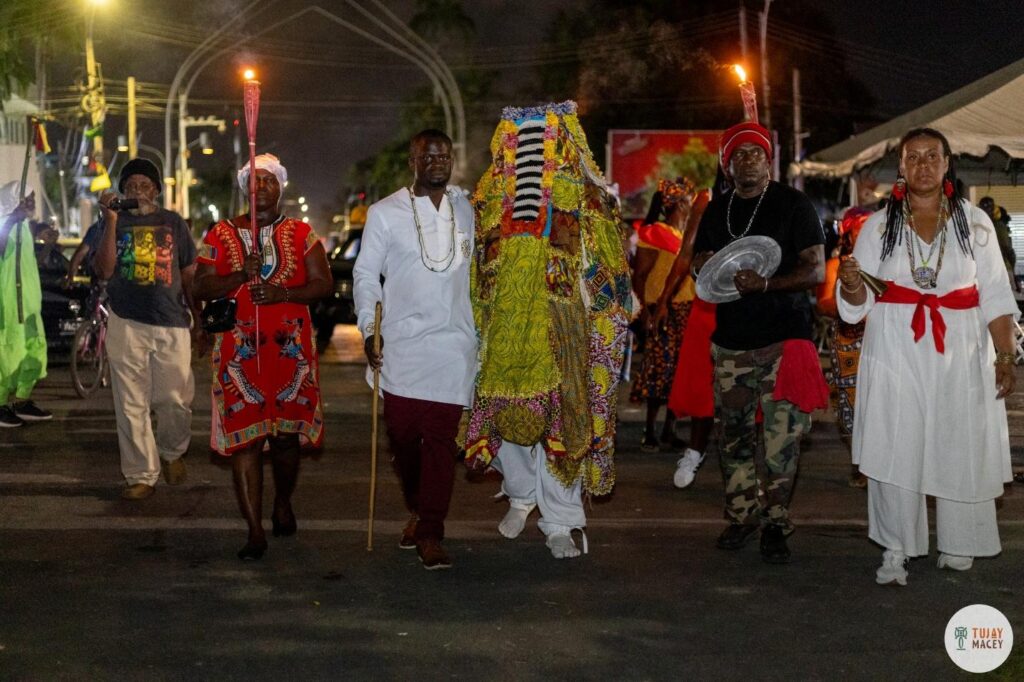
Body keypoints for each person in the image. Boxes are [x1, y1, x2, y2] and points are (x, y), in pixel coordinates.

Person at [837, 128, 1018, 585]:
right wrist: (852, 282)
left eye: (931, 156)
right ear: (900, 166)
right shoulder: (878, 225)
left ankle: (961, 543)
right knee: (895, 443)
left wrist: (1005, 357)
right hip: (895, 348)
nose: (921, 165)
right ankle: (897, 547)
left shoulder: (975, 223)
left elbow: (995, 295)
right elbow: (856, 303)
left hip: (960, 350)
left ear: (946, 162)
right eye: (912, 157)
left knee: (960, 440)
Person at [465, 101, 632, 560]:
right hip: (503, 326)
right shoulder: (488, 202)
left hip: (564, 326)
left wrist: (606, 313)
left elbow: (610, 270)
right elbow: (474, 272)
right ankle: (520, 494)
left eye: (544, 136)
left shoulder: (588, 197)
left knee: (565, 418)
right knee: (507, 409)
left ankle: (559, 521)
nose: (533, 148)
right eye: (523, 139)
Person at [691, 121, 828, 564]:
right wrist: (701, 265)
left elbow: (815, 271)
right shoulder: (718, 209)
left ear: (768, 160)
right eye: (739, 155)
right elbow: (699, 261)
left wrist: (767, 284)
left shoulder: (794, 205)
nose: (747, 160)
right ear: (727, 165)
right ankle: (743, 515)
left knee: (780, 442)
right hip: (730, 343)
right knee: (731, 438)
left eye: (755, 153)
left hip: (783, 341)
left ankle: (776, 522)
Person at [194, 154, 331, 561]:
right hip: (238, 353)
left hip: (289, 353)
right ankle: (254, 530)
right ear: (243, 189)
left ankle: (283, 501)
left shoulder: (302, 234)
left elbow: (323, 284)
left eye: (268, 181)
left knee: (285, 438)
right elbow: (200, 285)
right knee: (246, 442)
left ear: (280, 187)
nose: (261, 188)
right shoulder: (219, 234)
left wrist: (282, 294)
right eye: (253, 182)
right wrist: (238, 275)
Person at [353, 130, 477, 570]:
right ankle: (417, 508)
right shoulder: (385, 213)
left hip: (454, 346)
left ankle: (430, 531)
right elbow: (366, 275)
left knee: (441, 443)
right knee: (404, 439)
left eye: (445, 155)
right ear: (414, 161)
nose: (438, 162)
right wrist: (369, 329)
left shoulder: (468, 208)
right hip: (401, 347)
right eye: (429, 156)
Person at [93, 158, 204, 500]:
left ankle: (172, 451)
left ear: (156, 190)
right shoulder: (112, 222)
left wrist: (199, 321)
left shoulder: (173, 222)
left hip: (171, 323)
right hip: (126, 322)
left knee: (174, 400)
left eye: (144, 185)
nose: (137, 192)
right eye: (130, 186)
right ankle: (141, 474)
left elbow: (189, 275)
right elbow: (104, 270)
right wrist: (111, 221)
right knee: (130, 404)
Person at [629, 178, 697, 452]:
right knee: (660, 368)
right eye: (690, 200)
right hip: (662, 309)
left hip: (686, 309)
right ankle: (649, 429)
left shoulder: (683, 236)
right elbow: (641, 275)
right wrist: (643, 309)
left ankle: (669, 430)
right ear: (681, 203)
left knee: (680, 372)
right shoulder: (656, 232)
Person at [0, 185, 52, 427]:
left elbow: (34, 264)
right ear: (13, 200)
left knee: (33, 352)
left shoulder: (25, 228)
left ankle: (21, 401)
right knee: (6, 354)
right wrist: (11, 218)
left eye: (32, 198)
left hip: (29, 307)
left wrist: (50, 245)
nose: (32, 202)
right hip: (7, 305)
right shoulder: (4, 224)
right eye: (27, 198)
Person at [978, 196, 1016, 290]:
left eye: (987, 208)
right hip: (989, 270)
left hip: (1000, 270)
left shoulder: (998, 226)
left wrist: (1012, 270)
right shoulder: (981, 225)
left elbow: (1007, 247)